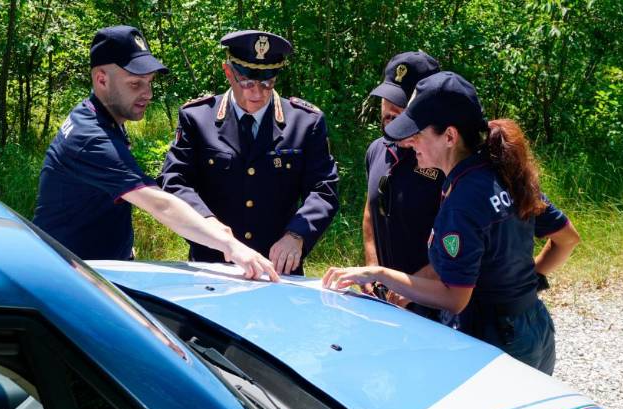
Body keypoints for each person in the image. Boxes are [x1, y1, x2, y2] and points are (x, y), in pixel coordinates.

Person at [323, 72, 580, 374]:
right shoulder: (505, 173)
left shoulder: (462, 201)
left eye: (418, 133)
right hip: (534, 326)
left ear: (449, 136)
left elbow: (455, 298)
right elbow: (567, 238)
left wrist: (379, 273)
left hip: (493, 342)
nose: (410, 141)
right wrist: (526, 282)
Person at [33, 25, 278, 281]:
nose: (147, 94)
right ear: (102, 79)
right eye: (135, 84)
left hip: (87, 268)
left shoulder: (97, 116)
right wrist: (231, 246)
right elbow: (160, 204)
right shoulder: (92, 138)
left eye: (149, 82)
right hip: (65, 277)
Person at [159, 30, 339, 275]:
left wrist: (297, 235)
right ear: (228, 72)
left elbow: (323, 188)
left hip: (277, 267)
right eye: (247, 82)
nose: (257, 93)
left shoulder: (305, 122)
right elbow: (174, 181)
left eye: (267, 83)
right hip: (213, 263)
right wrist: (208, 225)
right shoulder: (197, 118)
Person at [362, 51, 443, 318]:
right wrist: (373, 268)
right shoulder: (376, 150)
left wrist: (410, 287)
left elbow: (460, 242)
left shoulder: (444, 160)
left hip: (433, 305)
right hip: (385, 299)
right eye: (387, 99)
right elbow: (370, 211)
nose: (390, 111)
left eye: (401, 104)